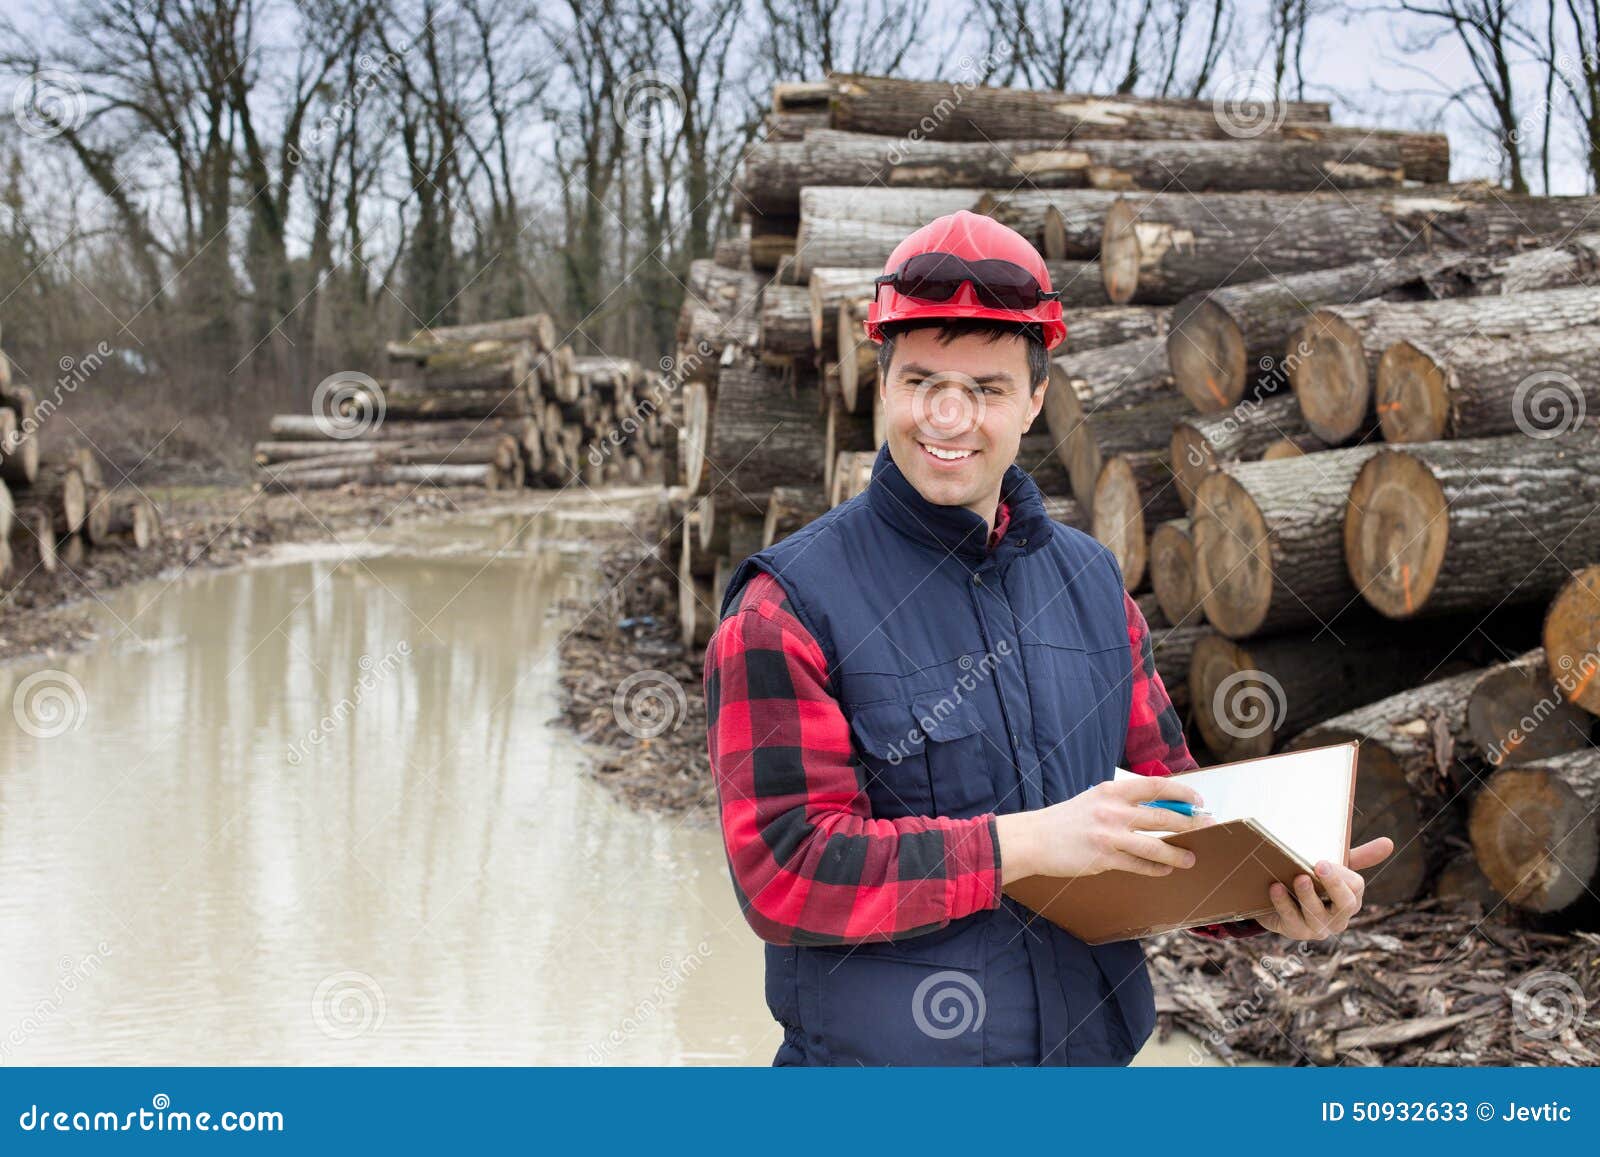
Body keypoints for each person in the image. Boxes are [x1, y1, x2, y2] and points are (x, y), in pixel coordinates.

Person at [702, 210, 1393, 1066]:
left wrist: (1273, 888)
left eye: (986, 389)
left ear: (1035, 399)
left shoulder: (1095, 586)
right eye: (921, 381)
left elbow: (1169, 815)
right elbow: (786, 871)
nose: (947, 417)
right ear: (883, 385)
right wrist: (1019, 845)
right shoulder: (786, 607)